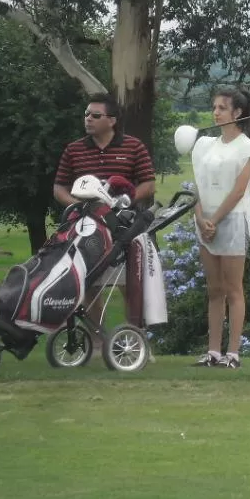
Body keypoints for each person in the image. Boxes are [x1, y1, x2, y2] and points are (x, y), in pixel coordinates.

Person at [54, 93, 156, 332]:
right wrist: (75, 204)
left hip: (124, 226)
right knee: (89, 284)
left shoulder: (133, 146)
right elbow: (59, 187)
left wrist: (126, 199)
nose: (88, 119)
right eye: (87, 114)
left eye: (95, 115)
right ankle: (99, 341)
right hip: (86, 227)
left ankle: (134, 340)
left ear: (112, 120)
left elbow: (148, 184)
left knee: (130, 284)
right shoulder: (74, 150)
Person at [190, 88, 250, 369]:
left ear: (237, 113)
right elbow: (196, 186)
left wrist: (216, 220)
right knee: (214, 289)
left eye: (222, 108)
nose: (216, 112)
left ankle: (232, 353)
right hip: (205, 221)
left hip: (232, 220)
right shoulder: (203, 146)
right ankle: (213, 351)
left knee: (233, 288)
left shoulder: (249, 148)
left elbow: (238, 191)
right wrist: (201, 218)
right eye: (214, 107)